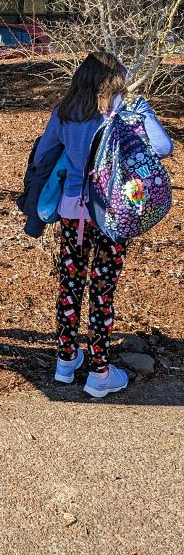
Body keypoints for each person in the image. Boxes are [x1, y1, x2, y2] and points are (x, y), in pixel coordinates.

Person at [34, 51, 173, 398]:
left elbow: (41, 156)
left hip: (71, 211)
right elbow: (163, 146)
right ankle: (99, 372)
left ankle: (65, 362)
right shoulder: (125, 113)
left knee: (70, 283)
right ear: (115, 81)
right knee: (102, 288)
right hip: (112, 212)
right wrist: (142, 111)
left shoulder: (65, 112)